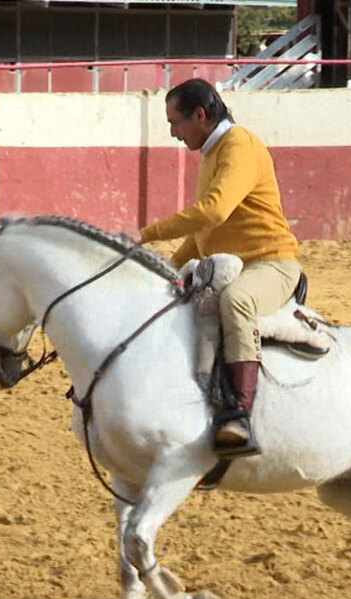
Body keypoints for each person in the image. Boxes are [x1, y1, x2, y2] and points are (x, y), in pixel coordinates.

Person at [130, 79, 301, 458]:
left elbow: (213, 210)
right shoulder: (212, 153)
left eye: (175, 122)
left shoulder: (239, 145)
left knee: (237, 301)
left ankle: (238, 413)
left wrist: (147, 235)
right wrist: (163, 270)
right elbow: (206, 231)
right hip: (233, 263)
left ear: (201, 116)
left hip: (271, 264)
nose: (173, 133)